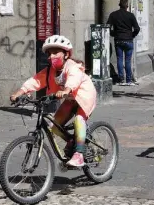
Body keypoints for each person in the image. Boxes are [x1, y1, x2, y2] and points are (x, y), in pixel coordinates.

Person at [10, 35, 97, 167]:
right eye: (49, 54)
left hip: (84, 96)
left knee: (79, 120)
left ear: (66, 54)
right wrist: (19, 92)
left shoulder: (73, 67)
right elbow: (35, 81)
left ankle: (79, 155)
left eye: (56, 53)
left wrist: (66, 90)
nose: (51, 57)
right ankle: (72, 141)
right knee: (55, 127)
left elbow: (74, 79)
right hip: (69, 98)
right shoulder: (51, 70)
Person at [107, 0, 140, 86]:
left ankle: (121, 79)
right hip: (128, 40)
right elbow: (137, 28)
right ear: (127, 5)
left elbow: (107, 27)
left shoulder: (113, 15)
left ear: (119, 4)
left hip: (118, 40)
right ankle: (128, 80)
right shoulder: (131, 15)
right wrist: (132, 35)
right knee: (128, 60)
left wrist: (114, 33)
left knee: (119, 59)